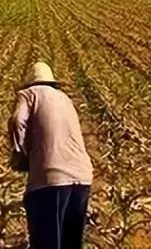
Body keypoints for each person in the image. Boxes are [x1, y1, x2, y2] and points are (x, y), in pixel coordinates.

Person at [8, 61, 94, 249]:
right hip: (82, 176)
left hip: (50, 178)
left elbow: (17, 121)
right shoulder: (64, 98)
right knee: (70, 243)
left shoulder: (29, 94)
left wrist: (20, 152)